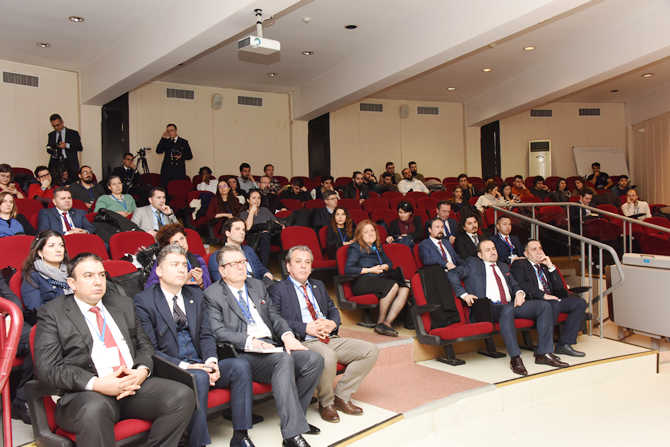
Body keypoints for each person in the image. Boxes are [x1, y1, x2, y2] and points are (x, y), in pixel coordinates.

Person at [34, 252, 195, 446]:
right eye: (88, 276)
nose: (98, 282)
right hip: (88, 393)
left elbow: (144, 345)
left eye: (101, 275)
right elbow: (48, 369)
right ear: (72, 283)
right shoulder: (53, 314)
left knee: (182, 395)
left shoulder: (123, 304)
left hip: (132, 384)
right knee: (94, 409)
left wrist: (142, 371)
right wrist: (97, 384)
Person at [134, 244, 255, 447]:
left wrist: (211, 361)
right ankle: (198, 443)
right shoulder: (144, 301)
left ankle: (240, 436)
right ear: (159, 271)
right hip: (172, 367)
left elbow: (206, 334)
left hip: (200, 362)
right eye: (175, 265)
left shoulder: (195, 295)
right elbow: (150, 349)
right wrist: (188, 366)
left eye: (184, 265)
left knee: (240, 366)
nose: (182, 269)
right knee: (198, 376)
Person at [204, 245, 324, 447]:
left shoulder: (257, 285)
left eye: (242, 262)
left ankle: (296, 419)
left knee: (314, 360)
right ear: (222, 271)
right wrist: (249, 340)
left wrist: (287, 335)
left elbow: (274, 317)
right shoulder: (212, 294)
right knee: (283, 360)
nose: (240, 267)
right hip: (244, 352)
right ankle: (292, 435)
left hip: (270, 346)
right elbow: (217, 331)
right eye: (233, 264)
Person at [269, 246, 379, 423]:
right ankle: (326, 403)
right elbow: (276, 320)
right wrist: (305, 327)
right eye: (298, 262)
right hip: (304, 341)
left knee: (370, 350)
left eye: (307, 262)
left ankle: (341, 396)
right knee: (328, 356)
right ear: (288, 266)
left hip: (328, 337)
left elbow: (332, 309)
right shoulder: (278, 289)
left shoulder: (317, 285)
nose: (303, 266)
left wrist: (333, 323)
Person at [448, 241, 568, 376]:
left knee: (544, 306)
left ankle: (543, 353)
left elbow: (514, 284)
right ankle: (515, 358)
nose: (492, 252)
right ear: (480, 255)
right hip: (488, 308)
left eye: (494, 248)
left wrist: (519, 293)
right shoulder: (473, 263)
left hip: (509, 305)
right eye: (488, 250)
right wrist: (464, 295)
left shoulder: (503, 266)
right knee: (507, 310)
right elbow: (452, 274)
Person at [511, 239, 588, 357]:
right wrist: (543, 295)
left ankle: (564, 344)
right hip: (535, 301)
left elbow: (559, 287)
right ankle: (544, 348)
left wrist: (551, 266)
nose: (538, 252)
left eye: (540, 248)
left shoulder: (544, 266)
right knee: (553, 304)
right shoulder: (520, 264)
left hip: (551, 299)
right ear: (526, 254)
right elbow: (522, 284)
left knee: (580, 303)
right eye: (534, 249)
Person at [345, 220, 410, 337]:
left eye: (372, 230)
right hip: (363, 281)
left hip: (379, 280)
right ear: (360, 235)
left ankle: (387, 323)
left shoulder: (378, 247)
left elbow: (389, 262)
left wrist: (385, 266)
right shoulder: (355, 247)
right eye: (366, 231)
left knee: (404, 289)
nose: (370, 233)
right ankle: (380, 323)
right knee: (392, 285)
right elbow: (349, 269)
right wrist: (370, 270)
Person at [1, 275, 33, 424]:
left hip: (4, 321)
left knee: (35, 337)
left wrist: (6, 313)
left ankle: (21, 401)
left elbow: (13, 299)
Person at [208, 217, 274, 285]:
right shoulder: (216, 257)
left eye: (243, 230)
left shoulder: (249, 250)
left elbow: (263, 270)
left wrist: (267, 276)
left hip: (260, 287)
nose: (242, 232)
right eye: (237, 229)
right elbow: (222, 284)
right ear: (227, 233)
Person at [145, 223, 211, 290]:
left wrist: (200, 282)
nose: (181, 244)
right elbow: (150, 287)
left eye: (182, 238)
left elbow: (209, 289)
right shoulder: (162, 261)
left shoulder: (198, 259)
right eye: (175, 242)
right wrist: (180, 282)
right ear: (167, 246)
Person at [21, 229, 71, 312]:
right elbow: (36, 308)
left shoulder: (73, 270)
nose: (58, 249)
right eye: (51, 246)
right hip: (53, 317)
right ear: (40, 252)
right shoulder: (32, 275)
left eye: (61, 245)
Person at [240, 190, 283, 267]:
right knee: (265, 233)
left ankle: (287, 263)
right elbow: (248, 227)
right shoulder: (244, 214)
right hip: (256, 238)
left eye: (259, 198)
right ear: (248, 200)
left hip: (271, 235)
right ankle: (264, 265)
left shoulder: (265, 210)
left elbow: (277, 224)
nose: (257, 200)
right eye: (254, 198)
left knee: (284, 235)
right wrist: (252, 211)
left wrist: (282, 226)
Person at [156, 123, 193, 189]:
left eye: (171, 130)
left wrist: (181, 156)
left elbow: (190, 156)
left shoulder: (183, 142)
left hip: (178, 171)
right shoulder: (166, 142)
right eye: (168, 131)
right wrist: (163, 138)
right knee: (165, 190)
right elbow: (158, 151)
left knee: (177, 189)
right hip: (166, 172)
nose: (170, 132)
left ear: (176, 131)